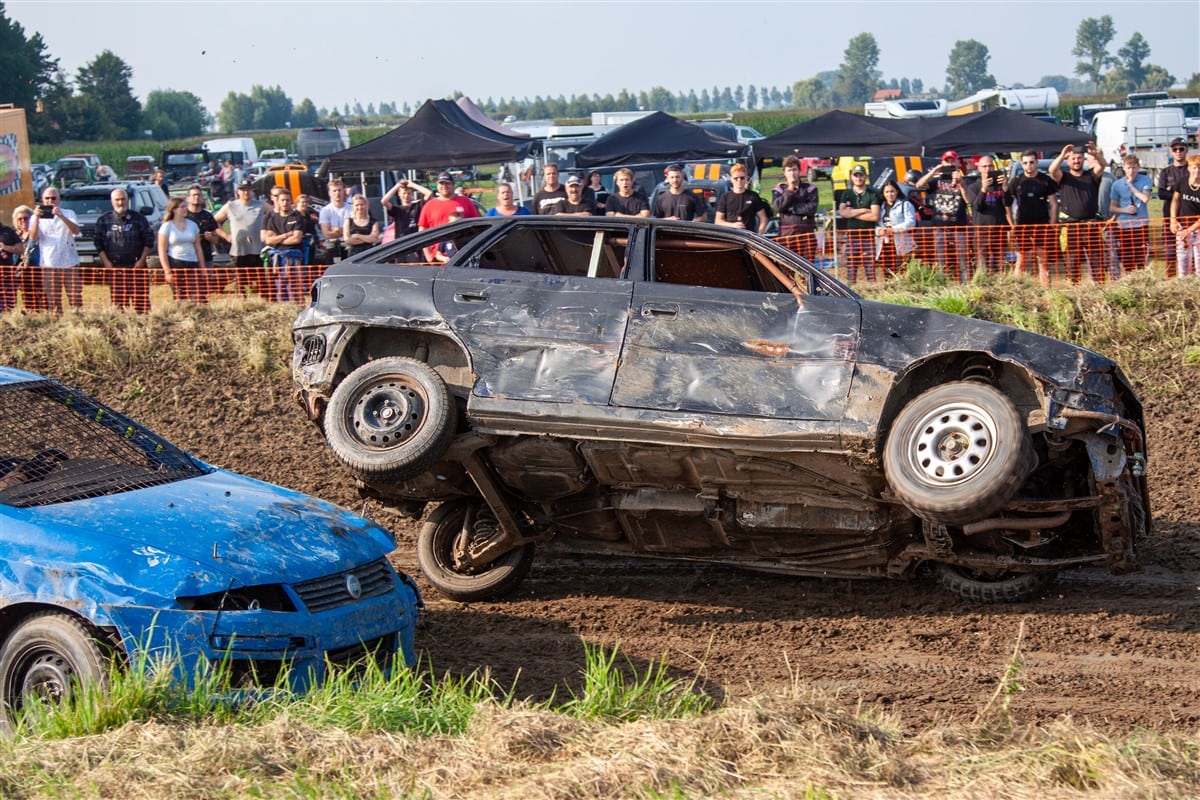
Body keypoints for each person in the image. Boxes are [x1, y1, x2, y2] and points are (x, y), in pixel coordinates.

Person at [1049, 141, 1106, 283]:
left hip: (1091, 225)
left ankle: (1099, 287)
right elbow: (1052, 170)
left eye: (1079, 158)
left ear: (1083, 159)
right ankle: (1074, 287)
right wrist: (1062, 155)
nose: (1076, 161)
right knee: (1072, 261)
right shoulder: (1063, 177)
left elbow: (1103, 165)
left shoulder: (1091, 175)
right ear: (1068, 161)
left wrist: (1096, 154)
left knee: (1097, 261)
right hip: (1071, 226)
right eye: (1073, 158)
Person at [95, 187, 155, 313]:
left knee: (141, 304)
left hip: (136, 267)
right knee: (118, 305)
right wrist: (106, 262)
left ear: (128, 200)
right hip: (115, 268)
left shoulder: (139, 218)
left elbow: (149, 241)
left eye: (123, 199)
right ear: (112, 201)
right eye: (117, 200)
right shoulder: (104, 220)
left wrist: (141, 261)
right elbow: (98, 243)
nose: (120, 202)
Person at [1006, 149, 1058, 287]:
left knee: (1043, 262)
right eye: (1025, 163)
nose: (1028, 165)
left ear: (1036, 162)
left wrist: (1052, 224)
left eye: (1031, 162)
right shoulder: (1016, 181)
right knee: (1021, 261)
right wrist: (1012, 225)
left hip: (1042, 225)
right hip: (1022, 226)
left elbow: (1054, 203)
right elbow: (1007, 204)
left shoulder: (1045, 180)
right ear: (1022, 164)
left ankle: (1046, 292)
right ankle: (1017, 290)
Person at [916, 151, 970, 282]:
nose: (950, 163)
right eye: (947, 161)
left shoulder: (965, 180)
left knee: (963, 257)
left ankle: (965, 283)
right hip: (939, 225)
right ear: (942, 162)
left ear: (958, 162)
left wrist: (961, 182)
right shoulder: (937, 180)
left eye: (952, 160)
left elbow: (968, 200)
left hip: (959, 225)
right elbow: (919, 185)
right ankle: (942, 283)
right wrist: (934, 171)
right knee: (941, 258)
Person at [28, 187, 82, 312]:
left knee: (75, 297)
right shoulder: (35, 217)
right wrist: (36, 218)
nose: (50, 201)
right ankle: (57, 321)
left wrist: (61, 216)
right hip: (49, 263)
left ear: (59, 199)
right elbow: (33, 238)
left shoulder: (69, 213)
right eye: (47, 198)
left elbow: (76, 231)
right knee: (53, 300)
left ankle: (78, 321)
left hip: (69, 262)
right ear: (42, 199)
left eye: (53, 198)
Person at [213, 180, 265, 295]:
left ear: (252, 190)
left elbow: (275, 214)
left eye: (248, 189)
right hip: (238, 250)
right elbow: (213, 222)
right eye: (243, 190)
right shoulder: (230, 206)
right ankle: (241, 299)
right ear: (238, 191)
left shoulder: (261, 205)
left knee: (261, 281)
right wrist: (226, 235)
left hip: (257, 249)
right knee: (240, 281)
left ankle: (264, 300)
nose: (246, 192)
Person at [834, 165, 880, 283]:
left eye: (861, 175)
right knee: (851, 265)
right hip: (852, 235)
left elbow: (874, 216)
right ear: (851, 177)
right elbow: (842, 212)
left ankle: (872, 286)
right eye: (856, 175)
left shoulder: (873, 194)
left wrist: (852, 213)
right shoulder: (847, 193)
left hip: (868, 235)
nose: (858, 178)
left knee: (870, 265)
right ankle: (851, 287)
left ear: (866, 177)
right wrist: (863, 210)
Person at [1108, 154, 1153, 274]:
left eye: (1134, 168)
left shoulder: (1145, 179)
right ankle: (1129, 278)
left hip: (1140, 224)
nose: (1131, 171)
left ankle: (1142, 277)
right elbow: (1112, 207)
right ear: (1123, 167)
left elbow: (1145, 199)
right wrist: (1125, 210)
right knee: (1127, 257)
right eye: (1128, 168)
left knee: (1141, 257)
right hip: (1124, 226)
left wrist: (1131, 186)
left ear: (1138, 167)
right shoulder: (1117, 185)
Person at [966, 155, 1010, 275]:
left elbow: (1008, 203)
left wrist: (1005, 188)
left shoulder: (1000, 185)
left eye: (990, 166)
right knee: (982, 267)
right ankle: (982, 284)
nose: (987, 169)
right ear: (979, 168)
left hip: (999, 230)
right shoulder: (973, 187)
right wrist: (984, 189)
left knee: (1000, 267)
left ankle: (1000, 284)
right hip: (982, 231)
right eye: (984, 166)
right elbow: (977, 206)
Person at [157, 196, 206, 301]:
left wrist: (202, 267)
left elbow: (198, 248)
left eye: (185, 206)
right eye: (182, 207)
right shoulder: (167, 227)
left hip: (192, 263)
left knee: (199, 295)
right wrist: (167, 271)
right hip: (176, 263)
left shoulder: (193, 225)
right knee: (180, 296)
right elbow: (162, 250)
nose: (185, 209)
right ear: (174, 209)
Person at [771, 156, 820, 259]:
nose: (792, 173)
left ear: (799, 171)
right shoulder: (779, 189)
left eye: (794, 170)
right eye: (789, 170)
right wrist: (789, 190)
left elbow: (811, 208)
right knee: (786, 266)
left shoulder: (810, 188)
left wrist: (791, 209)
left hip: (806, 234)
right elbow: (778, 206)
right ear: (784, 172)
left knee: (807, 266)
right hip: (786, 235)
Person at [262, 188, 307, 301]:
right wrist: (286, 235)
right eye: (282, 200)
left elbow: (296, 239)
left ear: (291, 201)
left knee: (294, 287)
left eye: (287, 200)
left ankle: (297, 306)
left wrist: (277, 239)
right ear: (278, 201)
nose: (285, 203)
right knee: (280, 287)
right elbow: (268, 240)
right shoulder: (273, 219)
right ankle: (283, 306)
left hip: (294, 256)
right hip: (278, 258)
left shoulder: (297, 217)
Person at [1158, 138, 1190, 277]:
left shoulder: (1192, 169)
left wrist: (1171, 191)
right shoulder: (1166, 172)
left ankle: (1191, 280)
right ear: (1171, 151)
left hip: (1189, 218)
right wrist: (1182, 195)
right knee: (1170, 252)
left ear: (1186, 150)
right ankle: (1170, 281)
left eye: (1181, 149)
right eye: (1175, 149)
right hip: (1169, 218)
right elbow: (1161, 193)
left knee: (1191, 253)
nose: (1178, 152)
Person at [874, 179, 917, 277]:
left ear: (897, 191)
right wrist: (878, 231)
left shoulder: (905, 204)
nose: (890, 194)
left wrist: (893, 229)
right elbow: (876, 224)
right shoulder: (880, 207)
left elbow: (911, 223)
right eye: (887, 192)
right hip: (884, 244)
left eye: (892, 191)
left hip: (902, 244)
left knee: (903, 272)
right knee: (887, 273)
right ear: (883, 193)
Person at [184, 184, 220, 297]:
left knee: (204, 291)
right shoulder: (183, 216)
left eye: (199, 195)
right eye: (194, 195)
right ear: (188, 198)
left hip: (206, 256)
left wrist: (210, 237)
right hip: (187, 258)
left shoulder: (207, 216)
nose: (197, 197)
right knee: (188, 291)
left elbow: (216, 240)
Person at [1169, 154, 1200, 277]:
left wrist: (1189, 230)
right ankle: (1183, 283)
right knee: (1182, 260)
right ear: (1188, 168)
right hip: (1182, 226)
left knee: (1198, 261)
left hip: (1197, 228)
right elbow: (1175, 200)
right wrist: (1173, 220)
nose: (1197, 171)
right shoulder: (1182, 182)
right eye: (1194, 167)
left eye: (1199, 167)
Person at [10, 205, 45, 311]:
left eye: (26, 218)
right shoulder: (14, 235)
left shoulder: (35, 232)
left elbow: (34, 240)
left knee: (40, 300)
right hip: (20, 272)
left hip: (36, 270)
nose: (23, 221)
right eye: (19, 219)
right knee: (27, 299)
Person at [714, 164, 768, 233]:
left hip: (748, 235)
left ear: (746, 178)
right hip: (730, 235)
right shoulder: (725, 197)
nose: (739, 180)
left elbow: (763, 219)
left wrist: (759, 235)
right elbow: (718, 221)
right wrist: (733, 225)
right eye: (736, 178)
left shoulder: (753, 196)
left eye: (742, 178)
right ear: (731, 179)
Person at [319, 178, 352, 259]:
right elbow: (326, 234)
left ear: (343, 191)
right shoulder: (325, 210)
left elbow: (354, 230)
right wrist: (345, 230)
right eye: (334, 191)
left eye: (339, 190)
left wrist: (336, 229)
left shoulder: (352, 209)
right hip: (332, 246)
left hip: (349, 244)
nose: (337, 193)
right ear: (329, 193)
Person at [0, 212, 22, 312]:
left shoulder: (8, 231)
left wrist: (5, 247)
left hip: (7, 276)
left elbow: (20, 249)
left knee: (8, 308)